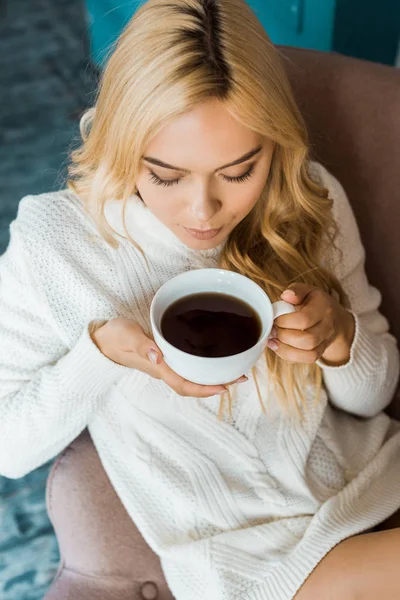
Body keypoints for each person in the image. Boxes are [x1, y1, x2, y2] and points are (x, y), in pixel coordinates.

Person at [0, 0, 399, 597]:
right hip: (255, 567)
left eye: (239, 172)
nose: (203, 213)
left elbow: (375, 400)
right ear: (120, 141)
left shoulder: (308, 199)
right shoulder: (57, 246)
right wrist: (101, 353)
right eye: (165, 175)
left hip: (380, 491)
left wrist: (341, 338)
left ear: (274, 145)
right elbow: (8, 449)